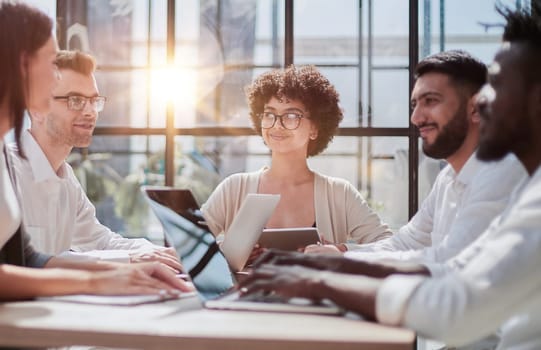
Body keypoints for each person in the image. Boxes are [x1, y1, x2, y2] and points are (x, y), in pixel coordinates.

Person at [240, 4, 541, 349]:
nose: (483, 102)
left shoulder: (516, 182)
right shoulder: (497, 185)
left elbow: (456, 304)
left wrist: (323, 281)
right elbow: (438, 260)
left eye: (498, 85)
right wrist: (335, 261)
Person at [0, 2, 191, 301]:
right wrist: (103, 277)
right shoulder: (12, 165)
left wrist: (137, 262)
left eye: (93, 100)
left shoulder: (47, 173)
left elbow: (31, 258)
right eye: (51, 63)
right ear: (21, 65)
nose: (90, 112)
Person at [307, 50, 526, 271]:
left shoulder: (503, 173)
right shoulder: (447, 178)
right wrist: (341, 253)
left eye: (430, 101)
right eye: (414, 105)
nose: (415, 118)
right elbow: (405, 242)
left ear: (477, 108)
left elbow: (451, 259)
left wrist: (343, 261)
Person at [7, 50, 181, 270]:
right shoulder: (8, 172)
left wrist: (155, 252)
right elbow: (24, 264)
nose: (90, 112)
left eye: (94, 100)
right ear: (37, 109)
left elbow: (100, 241)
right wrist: (129, 260)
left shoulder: (66, 178)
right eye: (76, 100)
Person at [201, 65, 391, 257]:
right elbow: (189, 247)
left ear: (315, 128)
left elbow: (388, 246)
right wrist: (229, 250)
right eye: (269, 114)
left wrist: (340, 250)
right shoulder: (234, 188)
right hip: (245, 288)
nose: (277, 125)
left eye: (291, 116)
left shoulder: (339, 193)